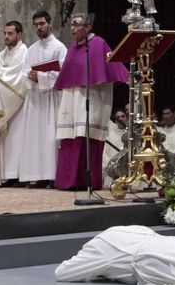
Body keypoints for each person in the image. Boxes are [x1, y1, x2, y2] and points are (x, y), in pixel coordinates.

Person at [53, 13, 128, 191]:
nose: (72, 28)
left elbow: (112, 66)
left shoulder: (98, 43)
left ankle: (86, 181)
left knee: (86, 139)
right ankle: (68, 181)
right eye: (71, 24)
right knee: (71, 139)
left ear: (88, 28)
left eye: (76, 24)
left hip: (92, 99)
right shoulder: (72, 46)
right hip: (72, 100)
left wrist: (123, 77)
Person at [15, 10, 66, 187]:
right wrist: (30, 76)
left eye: (42, 24)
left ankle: (52, 176)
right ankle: (38, 175)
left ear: (50, 24)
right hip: (35, 99)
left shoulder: (60, 48)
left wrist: (43, 77)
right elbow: (23, 73)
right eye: (36, 25)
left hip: (51, 99)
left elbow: (63, 73)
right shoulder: (31, 49)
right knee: (35, 138)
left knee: (50, 138)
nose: (39, 27)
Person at [0, 20, 30, 186]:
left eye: (10, 33)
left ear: (19, 35)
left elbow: (16, 76)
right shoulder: (3, 53)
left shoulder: (23, 52)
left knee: (16, 140)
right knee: (5, 141)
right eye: (5, 33)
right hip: (4, 103)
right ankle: (5, 175)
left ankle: (17, 175)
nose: (6, 36)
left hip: (17, 105)